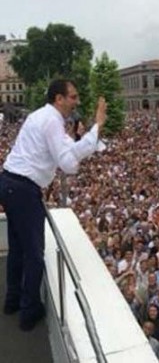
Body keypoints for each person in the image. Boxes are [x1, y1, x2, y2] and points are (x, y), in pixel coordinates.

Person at [1, 79, 106, 331]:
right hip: (24, 189)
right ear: (59, 98)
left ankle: (12, 302)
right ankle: (29, 313)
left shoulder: (44, 118)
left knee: (17, 249)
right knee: (35, 254)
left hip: (10, 183)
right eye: (73, 97)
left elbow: (69, 153)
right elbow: (68, 163)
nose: (76, 101)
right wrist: (98, 127)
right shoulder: (51, 121)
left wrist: (89, 134)